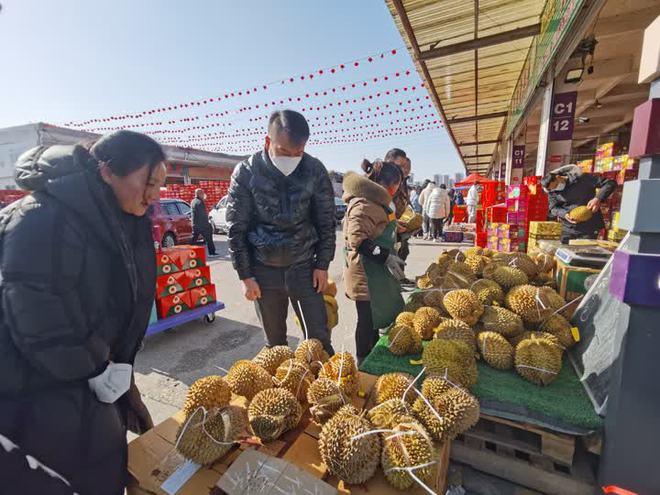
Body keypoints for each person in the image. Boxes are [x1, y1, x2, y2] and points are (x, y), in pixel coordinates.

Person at [0, 130, 167, 494]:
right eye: (149, 181)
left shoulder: (116, 216)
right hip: (38, 394)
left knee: (102, 469)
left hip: (85, 383)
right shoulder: (42, 218)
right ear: (107, 171)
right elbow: (40, 320)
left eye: (160, 184)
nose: (155, 194)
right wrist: (95, 368)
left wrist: (115, 376)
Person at [226, 110, 335, 354]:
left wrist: (322, 264)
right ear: (268, 142)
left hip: (305, 268)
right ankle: (285, 389)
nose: (292, 158)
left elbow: (326, 222)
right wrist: (245, 275)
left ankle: (326, 387)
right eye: (285, 152)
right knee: (275, 346)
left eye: (298, 153)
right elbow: (236, 229)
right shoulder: (246, 172)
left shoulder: (315, 170)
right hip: (263, 271)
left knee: (319, 340)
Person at [343, 160, 405, 363]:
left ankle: (372, 354)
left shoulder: (376, 202)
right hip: (364, 272)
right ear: (391, 184)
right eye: (398, 184)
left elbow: (375, 228)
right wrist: (384, 256)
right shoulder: (365, 203)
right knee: (366, 319)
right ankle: (363, 360)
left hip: (374, 272)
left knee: (373, 319)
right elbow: (357, 239)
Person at [541, 164, 616, 244]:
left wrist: (597, 198)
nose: (556, 189)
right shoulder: (552, 192)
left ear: (558, 177)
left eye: (556, 186)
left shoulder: (583, 179)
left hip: (589, 227)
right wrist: (564, 214)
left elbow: (610, 183)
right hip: (568, 228)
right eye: (553, 189)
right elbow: (553, 208)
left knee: (585, 253)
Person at [191, 188, 217, 256]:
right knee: (209, 238)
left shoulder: (193, 201)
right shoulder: (200, 202)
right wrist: (207, 222)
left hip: (195, 224)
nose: (203, 195)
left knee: (194, 239)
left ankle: (189, 251)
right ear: (200, 194)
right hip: (202, 225)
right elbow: (202, 214)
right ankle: (212, 253)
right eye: (202, 194)